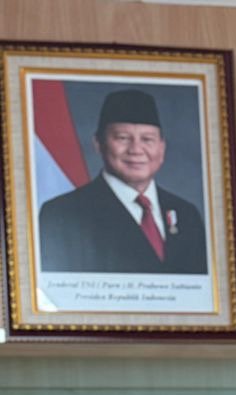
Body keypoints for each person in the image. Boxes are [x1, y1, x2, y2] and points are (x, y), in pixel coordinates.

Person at [38, 87, 208, 275]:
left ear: (162, 147)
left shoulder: (187, 215)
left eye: (147, 139)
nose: (136, 150)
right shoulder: (63, 215)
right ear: (98, 144)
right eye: (123, 138)